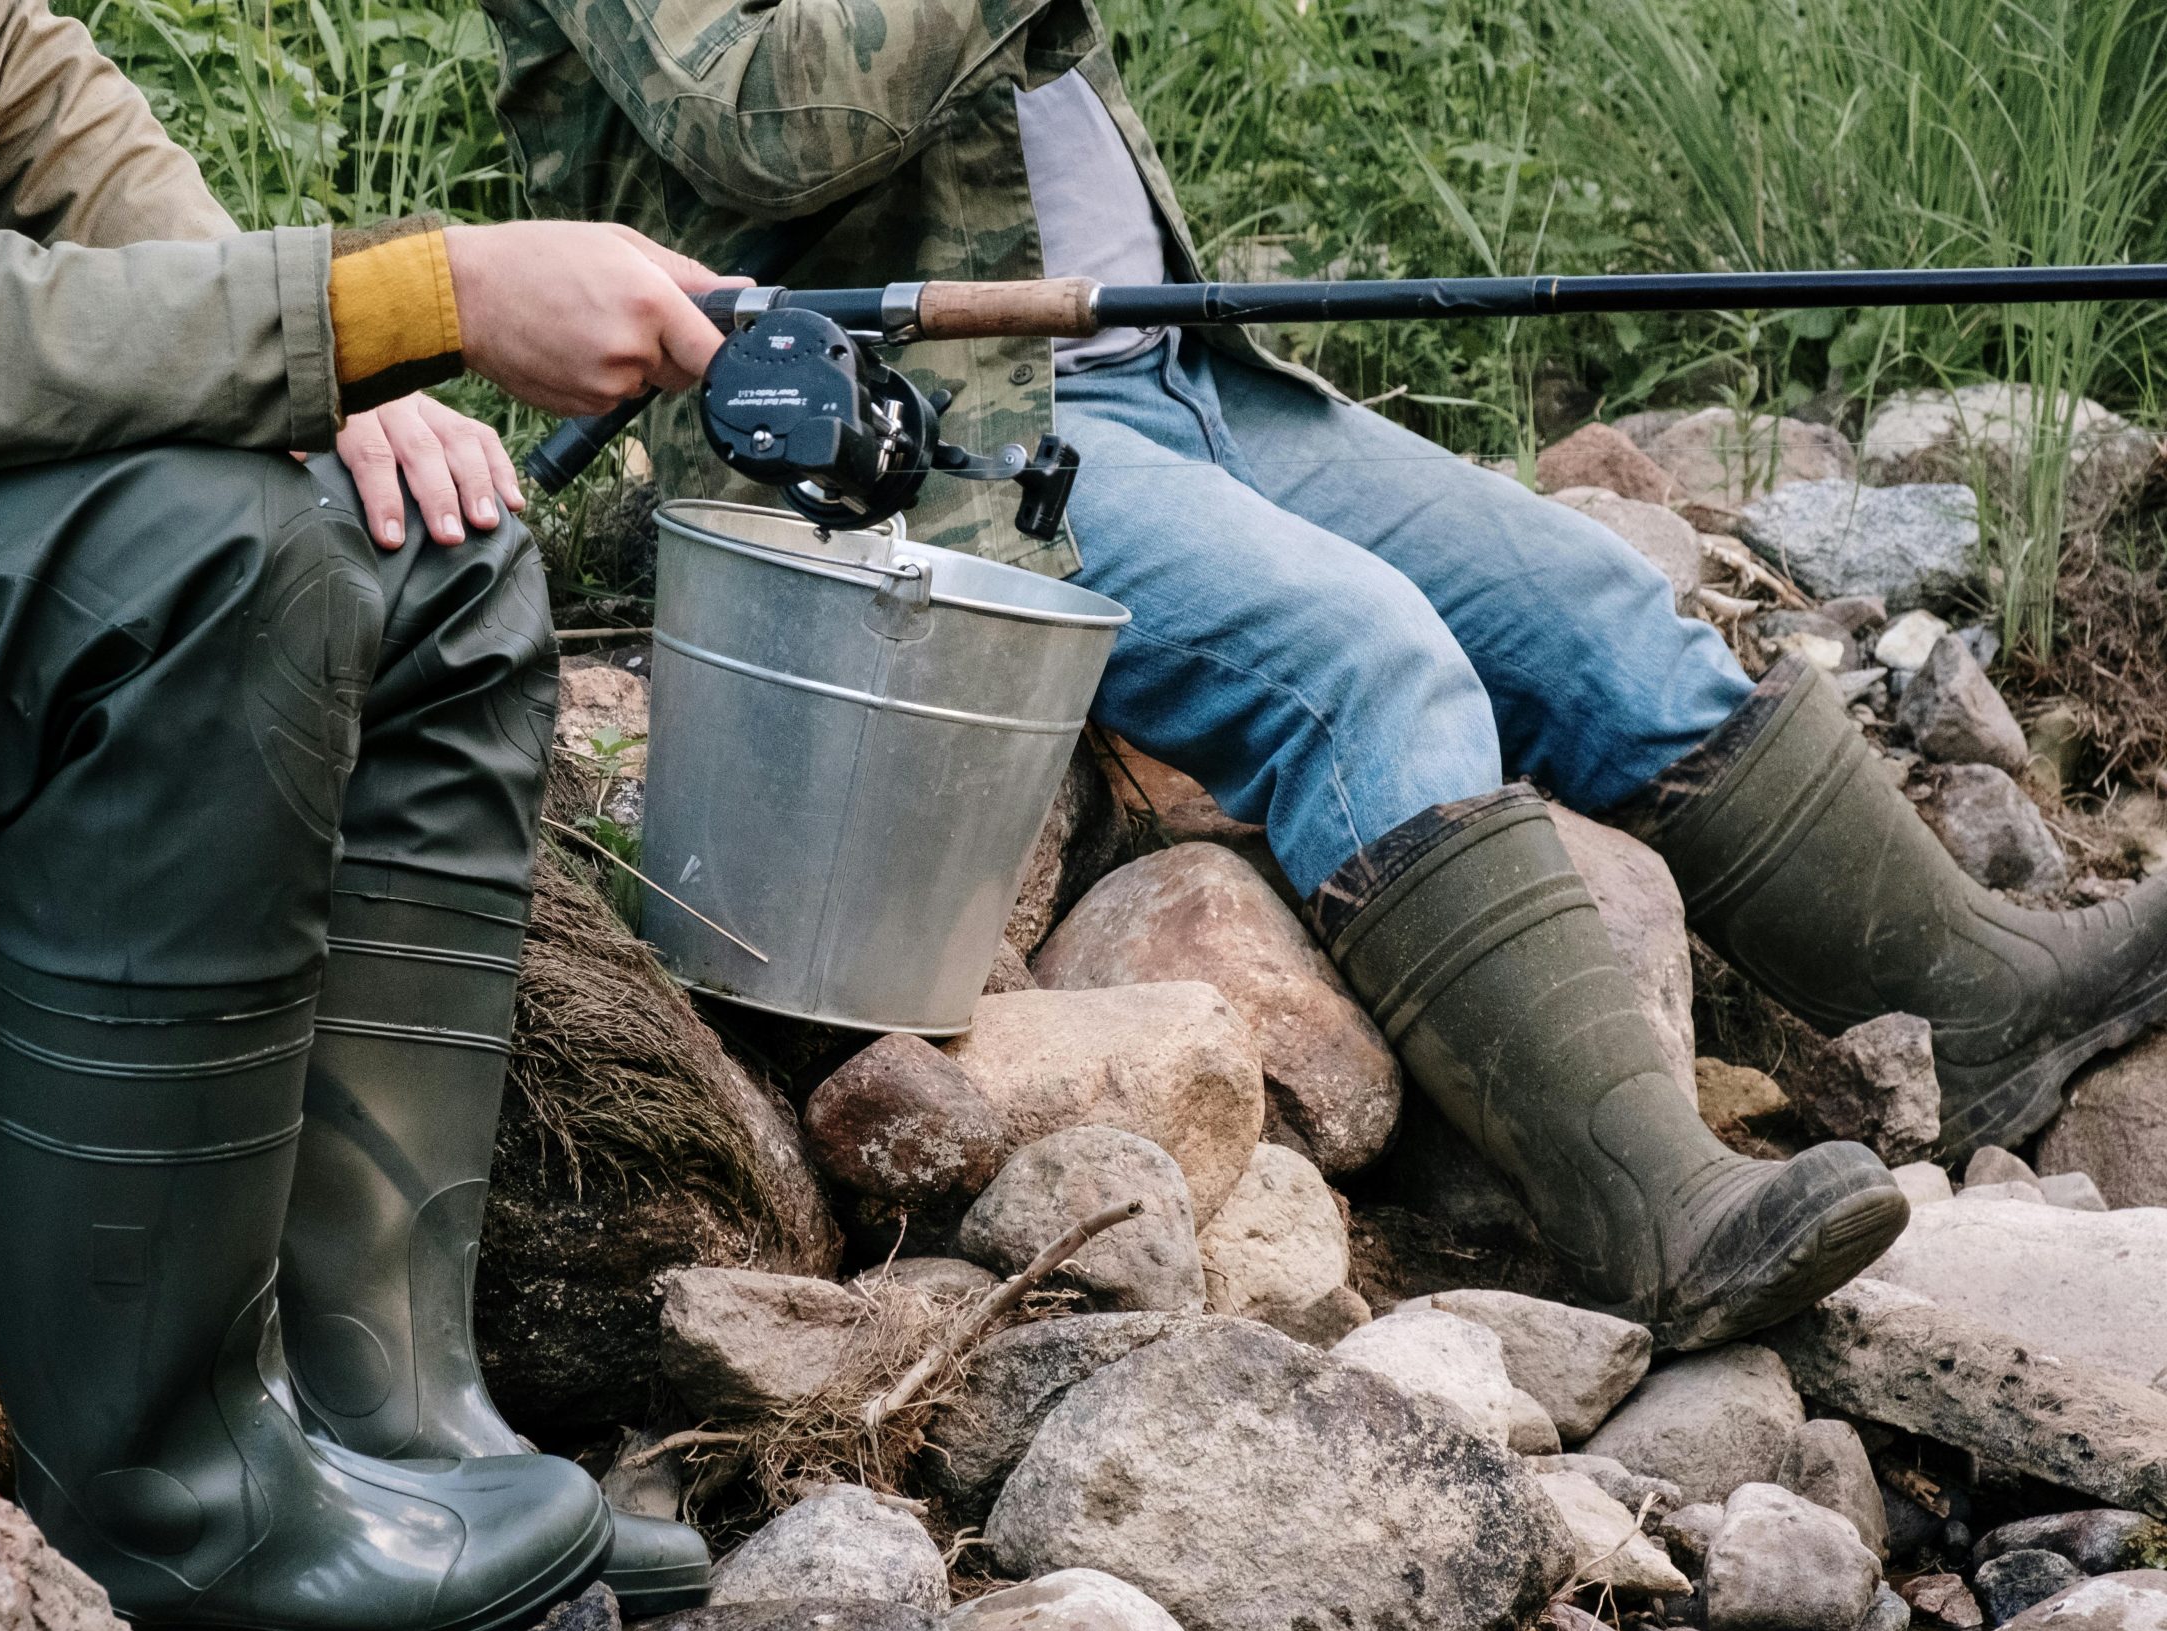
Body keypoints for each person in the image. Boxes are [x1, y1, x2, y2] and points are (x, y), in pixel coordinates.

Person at [482, 0, 2167, 1348]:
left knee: (1586, 600)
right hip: (931, 430)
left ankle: (1979, 996)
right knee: (1363, 660)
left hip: (1187, 379)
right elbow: (754, 118)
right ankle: (1653, 1206)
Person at [0, 0, 733, 1631]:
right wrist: (409, 299)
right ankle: (174, 1507)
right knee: (206, 563)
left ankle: (395, 1422)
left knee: (435, 555)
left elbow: (8, 72)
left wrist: (305, 383)